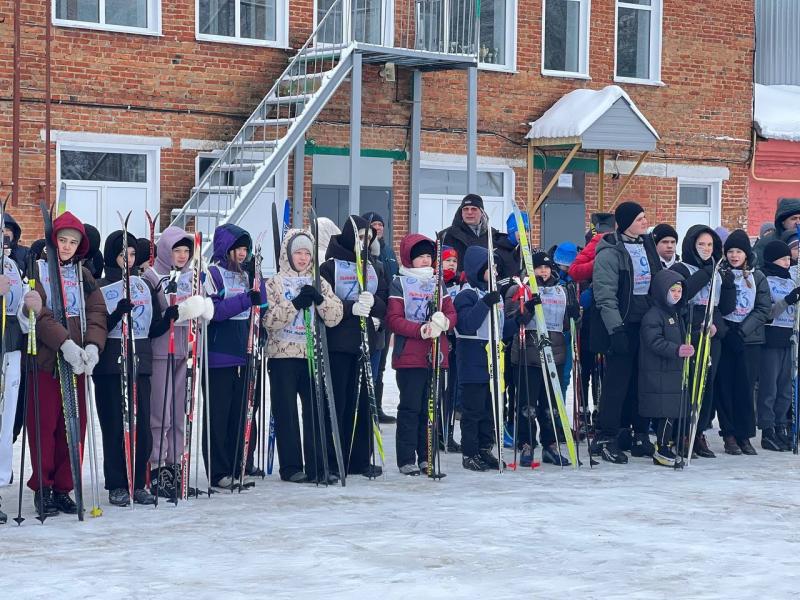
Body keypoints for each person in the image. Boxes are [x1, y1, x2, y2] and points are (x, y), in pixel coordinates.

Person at [94, 230, 190, 506]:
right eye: (123, 254)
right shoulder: (101, 285)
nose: (128, 259)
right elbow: (97, 326)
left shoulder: (143, 285)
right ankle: (117, 483)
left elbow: (152, 327)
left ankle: (137, 482)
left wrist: (168, 317)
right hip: (111, 365)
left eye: (133, 254)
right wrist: (116, 314)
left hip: (140, 362)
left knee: (142, 427)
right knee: (115, 425)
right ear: (113, 256)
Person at [25, 212, 107, 517]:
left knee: (73, 427)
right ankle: (43, 488)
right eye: (62, 240)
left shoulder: (83, 275)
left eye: (73, 242)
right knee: (44, 425)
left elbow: (97, 313)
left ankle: (64, 486)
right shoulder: (38, 270)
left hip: (77, 363)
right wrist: (64, 343)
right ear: (53, 240)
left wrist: (93, 346)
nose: (67, 246)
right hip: (47, 360)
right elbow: (39, 315)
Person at [263, 228, 343, 484]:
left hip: (311, 354)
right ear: (288, 253)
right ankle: (291, 466)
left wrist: (320, 300)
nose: (303, 258)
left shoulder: (319, 281)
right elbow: (268, 320)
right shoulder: (274, 283)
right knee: (285, 411)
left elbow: (335, 316)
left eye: (307, 253)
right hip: (282, 356)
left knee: (315, 411)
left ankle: (318, 464)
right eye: (298, 252)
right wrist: (295, 304)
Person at [591, 201, 661, 463]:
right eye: (639, 218)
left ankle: (639, 433)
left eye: (644, 217)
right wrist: (616, 328)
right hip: (621, 323)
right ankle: (607, 436)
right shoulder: (610, 251)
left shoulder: (647, 245)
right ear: (626, 222)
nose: (644, 222)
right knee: (617, 383)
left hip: (646, 322)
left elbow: (657, 280)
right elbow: (605, 295)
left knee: (642, 381)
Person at [142, 226, 209, 497]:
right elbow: (152, 314)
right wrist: (177, 312)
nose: (182, 256)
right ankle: (157, 466)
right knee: (161, 411)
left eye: (185, 251)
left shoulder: (192, 277)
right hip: (161, 351)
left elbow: (203, 305)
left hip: (186, 350)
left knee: (180, 411)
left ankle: (175, 463)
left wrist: (204, 309)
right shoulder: (152, 276)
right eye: (176, 250)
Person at [320, 216, 388, 478]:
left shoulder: (374, 267)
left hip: (365, 342)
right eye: (360, 237)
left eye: (368, 238)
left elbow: (384, 300)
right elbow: (325, 301)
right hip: (339, 343)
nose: (364, 243)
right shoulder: (330, 266)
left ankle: (359, 458)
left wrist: (374, 304)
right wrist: (350, 308)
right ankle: (333, 458)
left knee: (362, 403)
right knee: (339, 401)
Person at [386, 234, 456, 475]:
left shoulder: (438, 282)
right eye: (420, 257)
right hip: (410, 356)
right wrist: (420, 330)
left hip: (435, 355)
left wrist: (444, 321)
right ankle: (406, 459)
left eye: (428, 256)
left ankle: (427, 457)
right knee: (411, 408)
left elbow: (451, 312)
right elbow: (394, 319)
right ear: (409, 258)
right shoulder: (400, 282)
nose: (425, 260)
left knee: (430, 409)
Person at [204, 224, 265, 489]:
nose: (242, 254)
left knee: (239, 415)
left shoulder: (246, 275)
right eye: (237, 248)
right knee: (218, 416)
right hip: (219, 354)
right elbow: (214, 311)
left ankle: (238, 464)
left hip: (245, 353)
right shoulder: (212, 274)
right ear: (225, 248)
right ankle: (218, 470)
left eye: (245, 249)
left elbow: (261, 306)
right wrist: (246, 299)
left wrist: (258, 284)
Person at [505, 252, 579, 467]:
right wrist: (527, 308)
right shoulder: (520, 288)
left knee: (550, 406)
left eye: (546, 267)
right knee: (527, 405)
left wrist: (574, 314)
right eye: (538, 268)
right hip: (528, 355)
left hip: (554, 354)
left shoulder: (561, 290)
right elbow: (511, 320)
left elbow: (567, 324)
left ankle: (550, 445)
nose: (543, 271)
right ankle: (526, 443)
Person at [670, 225, 737, 458]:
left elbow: (724, 307)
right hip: (690, 328)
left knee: (706, 384)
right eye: (701, 244)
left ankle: (699, 431)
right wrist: (706, 273)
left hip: (712, 331)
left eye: (710, 245)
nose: (706, 249)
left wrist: (728, 284)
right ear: (692, 245)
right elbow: (682, 296)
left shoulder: (717, 270)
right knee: (689, 383)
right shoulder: (681, 268)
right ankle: (681, 432)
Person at [716, 230, 771, 456]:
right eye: (730, 251)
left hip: (749, 339)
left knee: (745, 388)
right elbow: (713, 306)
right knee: (725, 386)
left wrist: (742, 331)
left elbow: (763, 309)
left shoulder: (758, 277)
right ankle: (728, 433)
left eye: (738, 251)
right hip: (725, 337)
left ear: (746, 254)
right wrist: (726, 331)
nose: (734, 255)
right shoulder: (719, 274)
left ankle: (744, 434)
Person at [454, 245, 503, 472]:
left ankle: (485, 448)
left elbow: (500, 328)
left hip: (493, 359)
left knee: (488, 410)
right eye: (491, 268)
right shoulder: (466, 295)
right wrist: (485, 304)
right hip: (472, 360)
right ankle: (470, 452)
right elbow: (466, 324)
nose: (495, 272)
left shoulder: (493, 294)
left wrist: (523, 317)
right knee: (473, 411)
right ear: (478, 269)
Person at [638, 269, 693, 467]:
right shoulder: (654, 315)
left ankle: (666, 444)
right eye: (673, 291)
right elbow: (654, 341)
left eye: (679, 291)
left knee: (672, 410)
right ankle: (661, 448)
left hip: (673, 371)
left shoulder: (676, 314)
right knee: (667, 411)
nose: (677, 295)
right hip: (659, 371)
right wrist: (676, 350)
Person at [756, 240, 800, 451]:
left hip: (789, 338)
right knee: (769, 387)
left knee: (785, 387)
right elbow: (767, 312)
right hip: (771, 337)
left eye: (788, 258)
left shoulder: (791, 280)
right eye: (783, 259)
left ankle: (781, 424)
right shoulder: (764, 278)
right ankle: (768, 428)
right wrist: (788, 300)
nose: (787, 262)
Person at [0, 223, 26, 522]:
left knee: (5, 422)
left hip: (11, 346)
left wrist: (29, 307)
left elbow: (20, 310)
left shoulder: (12, 265)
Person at [361, 217, 395, 424]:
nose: (378, 228)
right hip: (358, 323)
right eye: (373, 225)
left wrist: (382, 316)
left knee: (378, 368)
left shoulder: (387, 254)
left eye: (380, 225)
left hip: (381, 320)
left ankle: (376, 408)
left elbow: (388, 287)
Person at [442, 194, 499, 272]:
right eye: (465, 209)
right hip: (459, 279)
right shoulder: (448, 235)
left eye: (474, 209)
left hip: (487, 279)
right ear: (461, 212)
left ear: (482, 212)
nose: (469, 212)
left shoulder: (493, 235)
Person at [754, 198, 800, 266]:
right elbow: (758, 265)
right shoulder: (767, 242)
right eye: (794, 219)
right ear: (783, 221)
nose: (798, 222)